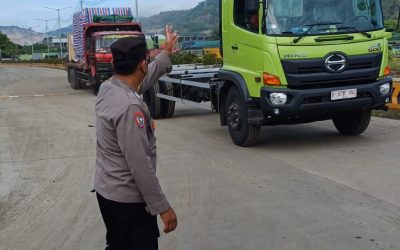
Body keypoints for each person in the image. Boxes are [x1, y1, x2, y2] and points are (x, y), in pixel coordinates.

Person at [94, 25, 179, 250]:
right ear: (142, 63)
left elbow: (141, 80)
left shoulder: (109, 87)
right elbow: (140, 165)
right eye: (147, 61)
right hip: (127, 201)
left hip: (107, 191)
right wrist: (163, 207)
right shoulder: (130, 107)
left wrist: (165, 55)